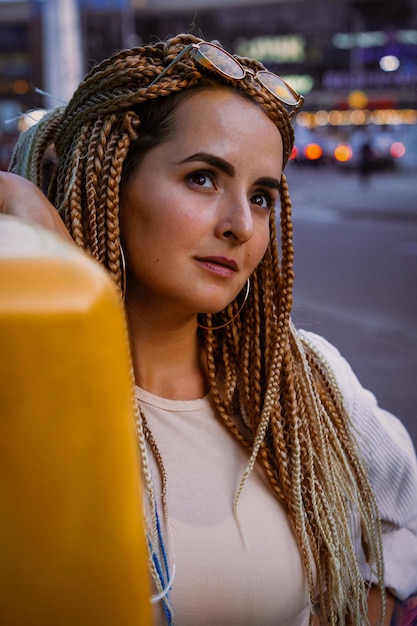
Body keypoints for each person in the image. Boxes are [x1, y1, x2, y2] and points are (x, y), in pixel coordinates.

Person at [1, 33, 416, 625]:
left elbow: (402, 521)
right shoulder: (24, 385)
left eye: (263, 196)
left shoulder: (301, 379)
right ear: (110, 179)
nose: (241, 225)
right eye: (202, 178)